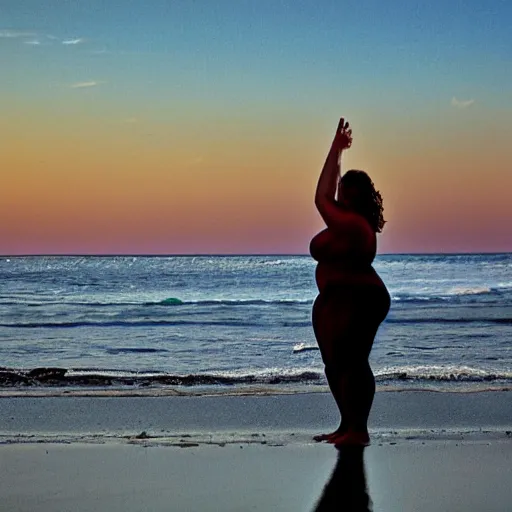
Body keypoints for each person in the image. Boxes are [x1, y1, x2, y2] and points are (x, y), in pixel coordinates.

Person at [310, 118, 390, 446]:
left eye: (346, 190)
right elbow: (331, 190)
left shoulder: (356, 226)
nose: (339, 191)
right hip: (337, 301)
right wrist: (339, 152)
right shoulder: (344, 222)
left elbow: (321, 197)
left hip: (359, 299)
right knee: (335, 365)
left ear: (355, 197)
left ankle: (359, 430)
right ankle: (346, 424)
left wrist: (335, 147)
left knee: (354, 363)